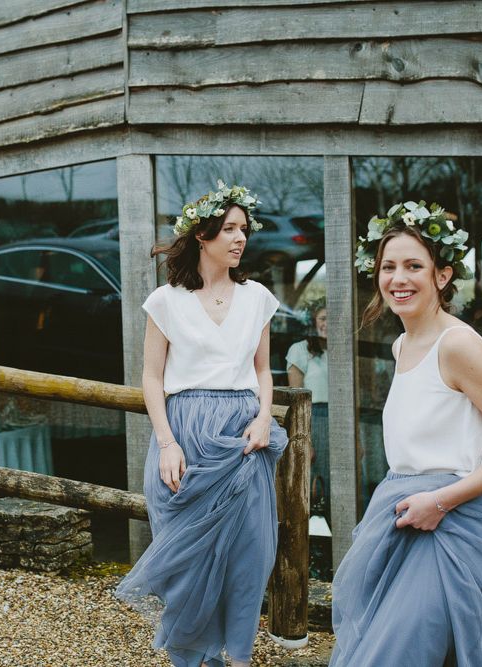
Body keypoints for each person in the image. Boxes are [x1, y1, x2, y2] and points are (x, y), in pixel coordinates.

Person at [116, 181, 288, 667]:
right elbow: (151, 377)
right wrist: (167, 443)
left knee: (248, 553)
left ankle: (236, 656)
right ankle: (191, 659)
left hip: (242, 438)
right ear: (202, 236)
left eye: (244, 230)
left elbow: (261, 371)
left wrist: (262, 417)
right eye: (229, 229)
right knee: (189, 564)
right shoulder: (166, 301)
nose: (240, 239)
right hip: (185, 435)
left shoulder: (256, 298)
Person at [331, 201, 482, 665]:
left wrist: (439, 502)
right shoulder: (403, 343)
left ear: (442, 276)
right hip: (399, 513)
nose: (398, 279)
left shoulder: (458, 344)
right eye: (389, 267)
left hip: (451, 524)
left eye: (413, 266)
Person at [286, 298, 329, 521]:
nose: (327, 323)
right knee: (316, 488)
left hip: (340, 421)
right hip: (314, 421)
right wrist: (306, 440)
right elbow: (298, 403)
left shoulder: (341, 351)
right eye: (323, 318)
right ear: (313, 321)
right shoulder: (299, 350)